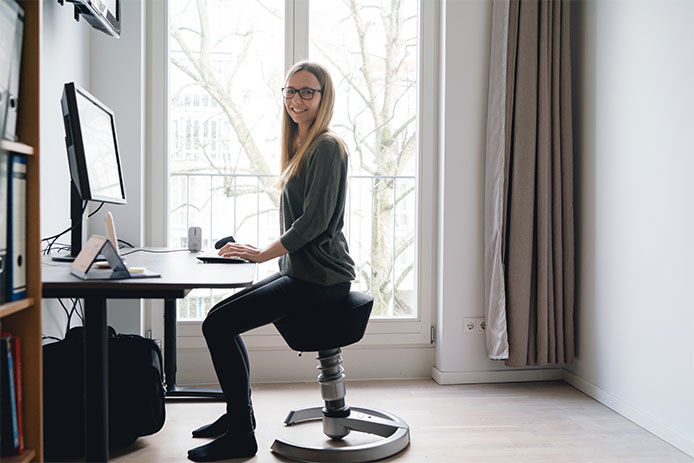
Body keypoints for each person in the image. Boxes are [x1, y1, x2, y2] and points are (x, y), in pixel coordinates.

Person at [187, 61, 356, 462]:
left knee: (218, 324)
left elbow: (313, 223)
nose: (296, 100)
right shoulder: (302, 146)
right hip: (301, 273)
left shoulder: (328, 147)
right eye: (290, 91)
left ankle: (241, 434)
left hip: (322, 280)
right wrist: (258, 253)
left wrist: (263, 253)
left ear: (323, 97)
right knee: (219, 319)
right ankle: (236, 418)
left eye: (307, 92)